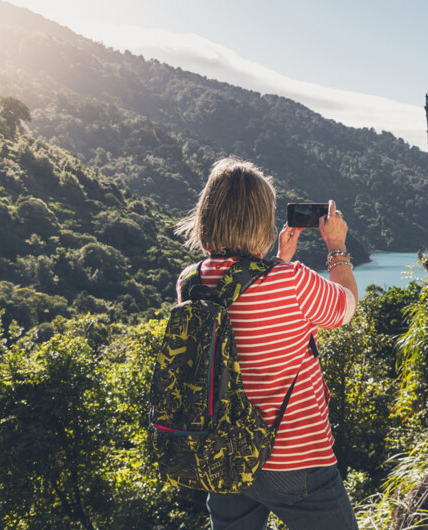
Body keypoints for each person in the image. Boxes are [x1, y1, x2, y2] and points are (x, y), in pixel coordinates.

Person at [174, 157, 359, 530]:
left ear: (207, 214)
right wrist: (336, 248)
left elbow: (238, 317)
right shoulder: (289, 281)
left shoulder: (191, 282)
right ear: (262, 219)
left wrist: (275, 261)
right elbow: (346, 308)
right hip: (294, 459)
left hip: (221, 454)